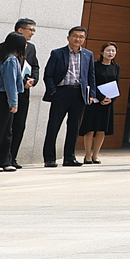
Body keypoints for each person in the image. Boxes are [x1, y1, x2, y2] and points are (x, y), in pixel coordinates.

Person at [42, 26, 92, 167]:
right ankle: (49, 158)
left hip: (79, 94)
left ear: (84, 39)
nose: (78, 39)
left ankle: (69, 157)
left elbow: (90, 76)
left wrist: (91, 94)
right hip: (61, 93)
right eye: (75, 36)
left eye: (81, 37)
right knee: (54, 126)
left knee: (74, 127)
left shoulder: (88, 54)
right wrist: (53, 91)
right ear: (68, 37)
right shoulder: (57, 53)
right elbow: (48, 74)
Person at [0, 34, 29, 173]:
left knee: (7, 131)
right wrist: (13, 103)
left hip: (3, 98)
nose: (26, 46)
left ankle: (4, 161)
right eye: (24, 43)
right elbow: (10, 84)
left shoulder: (8, 59)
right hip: (4, 98)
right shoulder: (11, 60)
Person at [79, 43, 120, 165]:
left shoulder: (116, 67)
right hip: (94, 100)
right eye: (108, 50)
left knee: (102, 129)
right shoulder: (95, 66)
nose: (110, 53)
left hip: (108, 102)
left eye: (113, 51)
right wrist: (101, 97)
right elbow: (91, 82)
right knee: (90, 129)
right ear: (102, 52)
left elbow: (116, 84)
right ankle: (87, 155)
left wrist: (111, 99)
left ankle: (96, 155)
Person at [3, 19, 36, 169]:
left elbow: (35, 66)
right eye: (30, 29)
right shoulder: (5, 47)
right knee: (6, 126)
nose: (33, 33)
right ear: (20, 30)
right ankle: (3, 158)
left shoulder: (32, 48)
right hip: (9, 93)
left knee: (19, 125)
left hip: (24, 92)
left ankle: (13, 157)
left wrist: (32, 80)